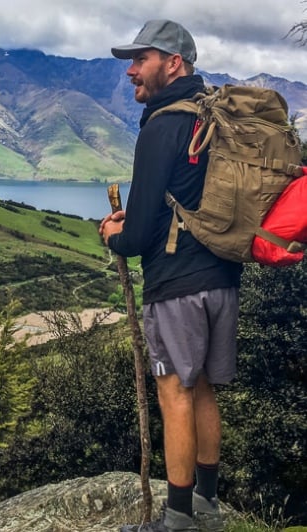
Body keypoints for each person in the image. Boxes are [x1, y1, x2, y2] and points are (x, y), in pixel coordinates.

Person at [99, 20, 242, 532]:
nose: (132, 70)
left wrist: (112, 235)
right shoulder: (211, 116)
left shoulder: (163, 125)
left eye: (142, 59)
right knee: (202, 387)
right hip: (222, 278)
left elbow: (137, 235)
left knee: (175, 394)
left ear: (173, 63)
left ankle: (177, 520)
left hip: (177, 287)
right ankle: (207, 504)